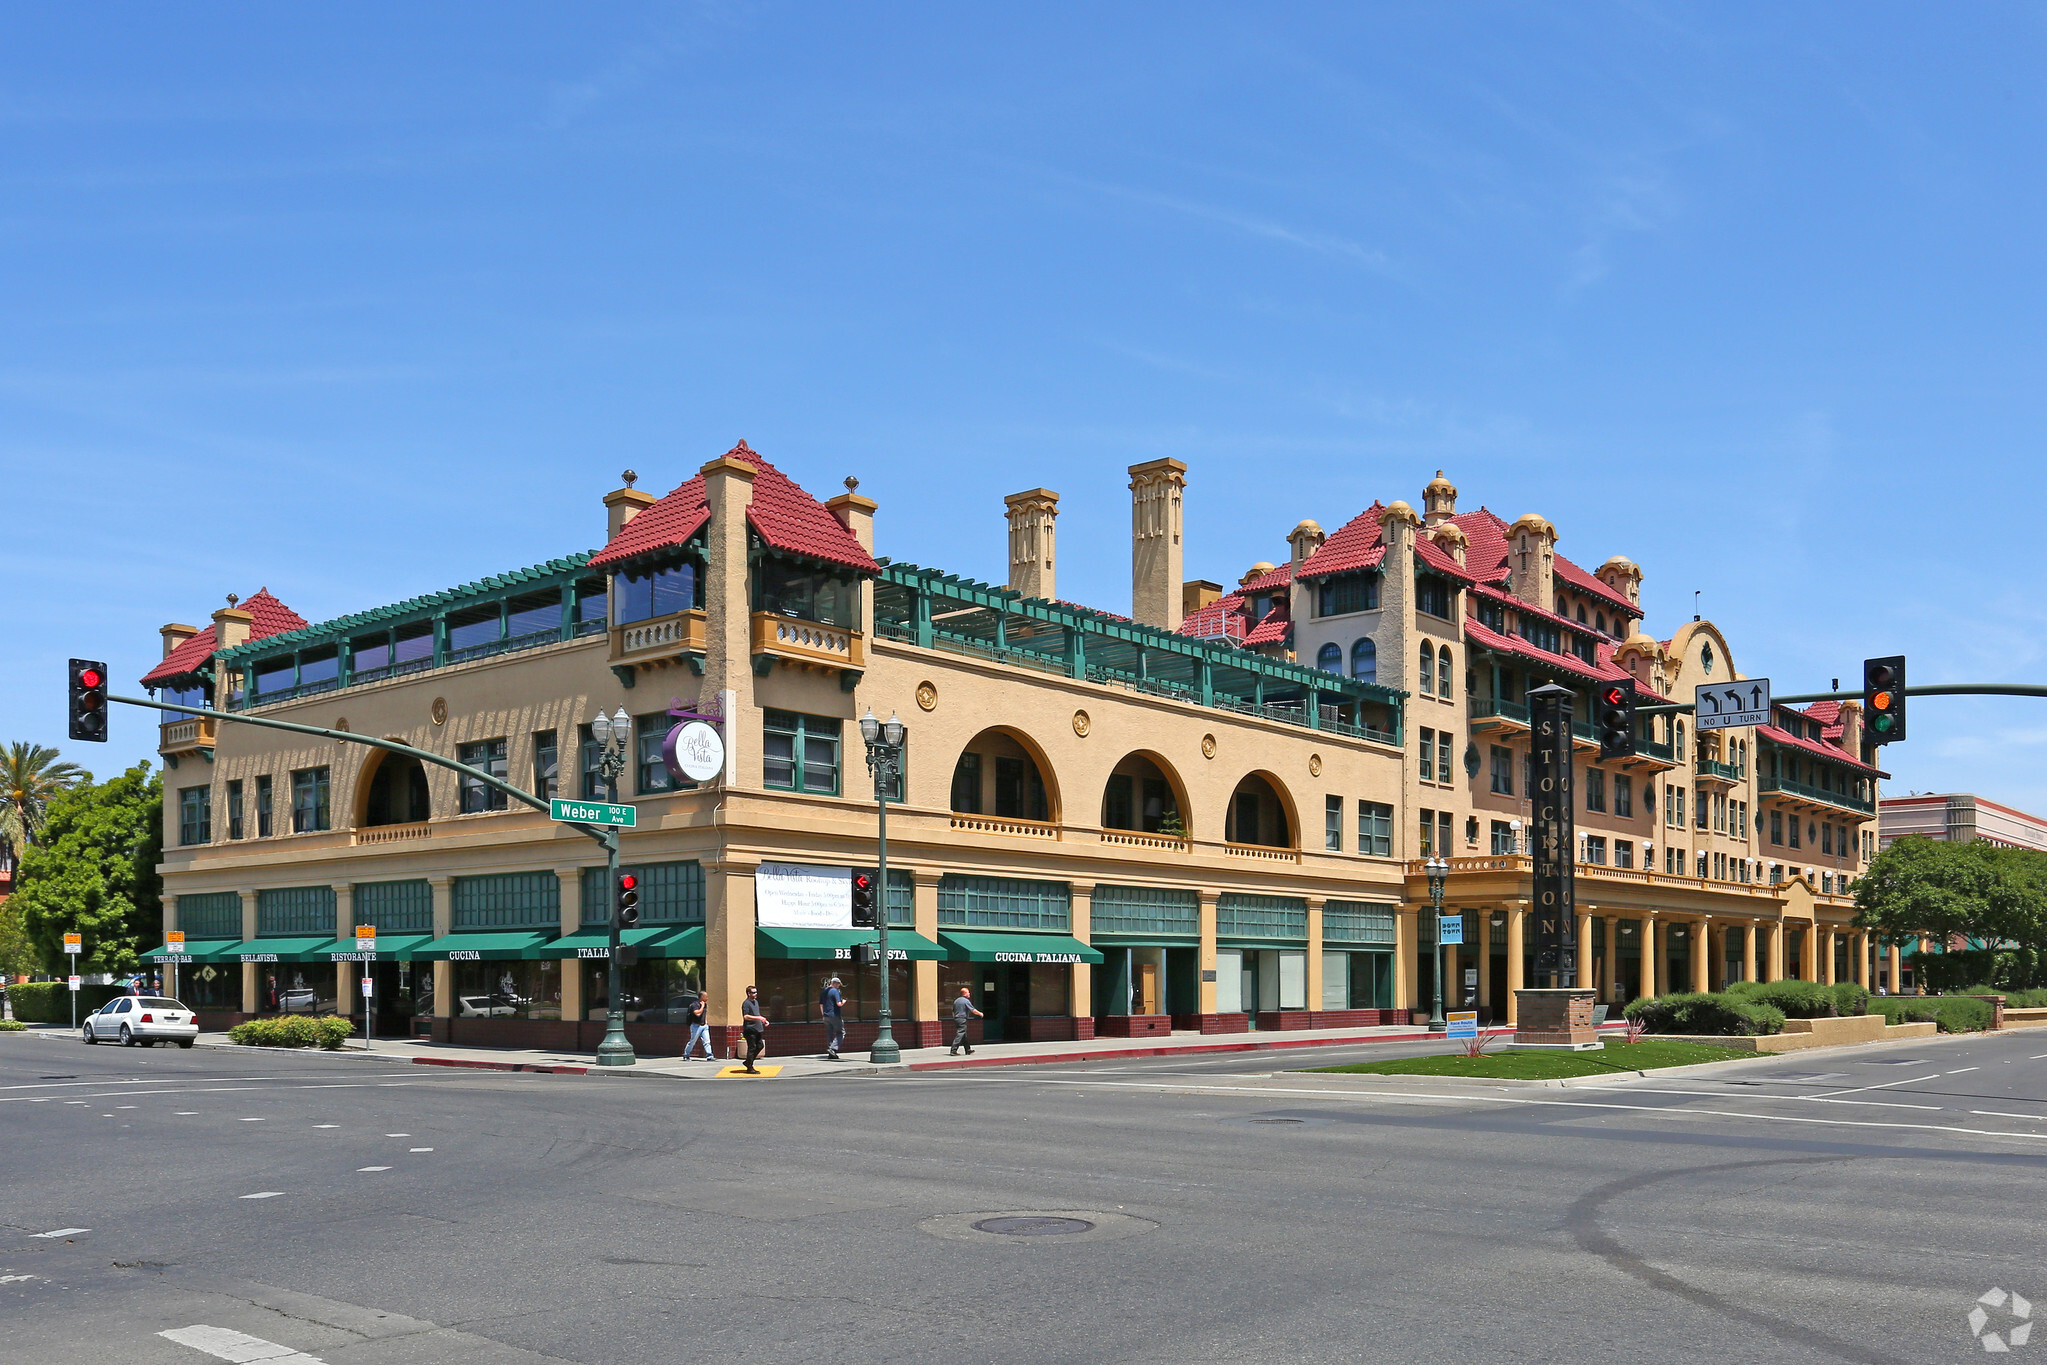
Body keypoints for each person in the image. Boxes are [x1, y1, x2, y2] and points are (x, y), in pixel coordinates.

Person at [740, 985, 768, 1073]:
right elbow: (746, 1016)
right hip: (750, 1029)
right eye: (753, 992)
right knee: (752, 1048)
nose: (755, 994)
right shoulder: (746, 1003)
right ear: (748, 994)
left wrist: (764, 1020)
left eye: (756, 992)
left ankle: (748, 1062)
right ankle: (750, 1067)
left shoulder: (756, 1002)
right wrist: (759, 1018)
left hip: (757, 1029)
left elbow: (757, 1014)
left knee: (760, 1046)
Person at [949, 985, 983, 1056]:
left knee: (963, 1034)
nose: (969, 994)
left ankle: (968, 1050)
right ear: (964, 993)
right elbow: (973, 1010)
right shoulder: (966, 1001)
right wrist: (980, 1014)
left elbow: (953, 1011)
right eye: (968, 992)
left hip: (957, 1019)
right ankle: (953, 1050)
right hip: (962, 1019)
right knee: (960, 1034)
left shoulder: (956, 1001)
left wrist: (955, 1018)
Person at [819, 976, 845, 1060]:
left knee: (829, 1033)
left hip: (826, 1016)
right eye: (838, 984)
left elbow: (821, 1004)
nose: (839, 986)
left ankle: (831, 1053)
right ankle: (833, 1048)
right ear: (835, 983)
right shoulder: (835, 991)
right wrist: (843, 1002)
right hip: (834, 1015)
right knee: (841, 1032)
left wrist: (823, 1015)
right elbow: (839, 1004)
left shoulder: (824, 991)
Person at [683, 993, 714, 1060]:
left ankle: (709, 1055)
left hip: (704, 1026)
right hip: (695, 1026)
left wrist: (706, 1022)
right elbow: (697, 1014)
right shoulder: (694, 1005)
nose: (707, 998)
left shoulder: (705, 1004)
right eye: (706, 997)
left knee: (707, 1041)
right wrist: (702, 1006)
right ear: (702, 997)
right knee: (693, 1041)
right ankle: (686, 1054)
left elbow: (705, 1013)